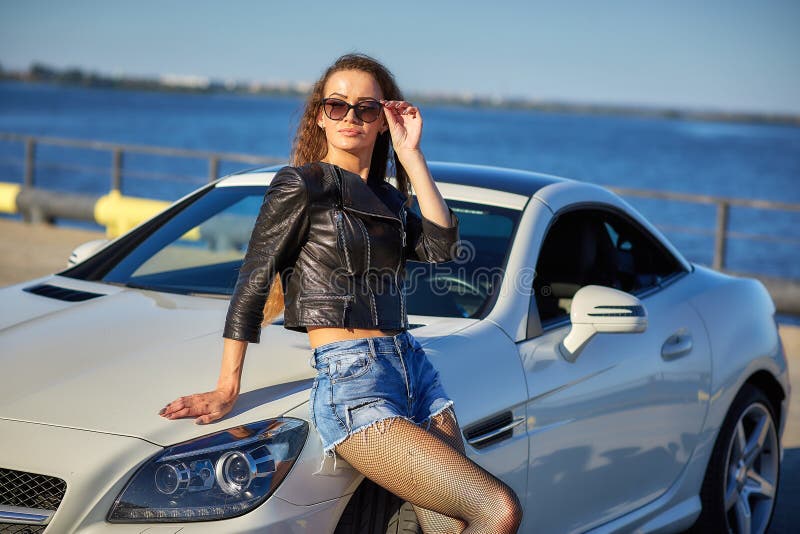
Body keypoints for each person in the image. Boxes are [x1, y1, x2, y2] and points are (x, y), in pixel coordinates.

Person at [159, 53, 522, 533]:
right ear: (320, 116)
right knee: (498, 509)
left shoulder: (392, 199)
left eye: (367, 109)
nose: (351, 117)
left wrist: (412, 156)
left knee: (450, 525)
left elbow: (440, 248)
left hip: (416, 372)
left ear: (382, 122)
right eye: (338, 105)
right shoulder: (301, 185)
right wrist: (228, 387)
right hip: (354, 381)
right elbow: (253, 281)